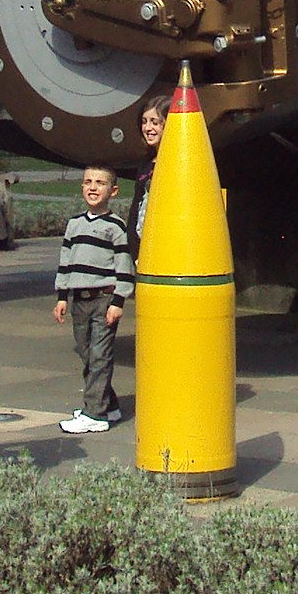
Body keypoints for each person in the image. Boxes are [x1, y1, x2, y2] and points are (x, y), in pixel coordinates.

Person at [53, 166, 133, 434]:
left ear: (113, 190)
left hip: (104, 298)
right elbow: (66, 262)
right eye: (88, 182)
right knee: (87, 354)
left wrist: (118, 301)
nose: (93, 187)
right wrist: (62, 297)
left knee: (100, 355)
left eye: (100, 183)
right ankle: (107, 404)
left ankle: (94, 414)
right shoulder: (74, 224)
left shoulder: (115, 226)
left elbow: (124, 266)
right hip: (79, 299)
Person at [126, 92, 171, 237]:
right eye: (144, 121)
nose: (148, 128)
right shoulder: (146, 162)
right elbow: (136, 206)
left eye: (155, 122)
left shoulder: (177, 163)